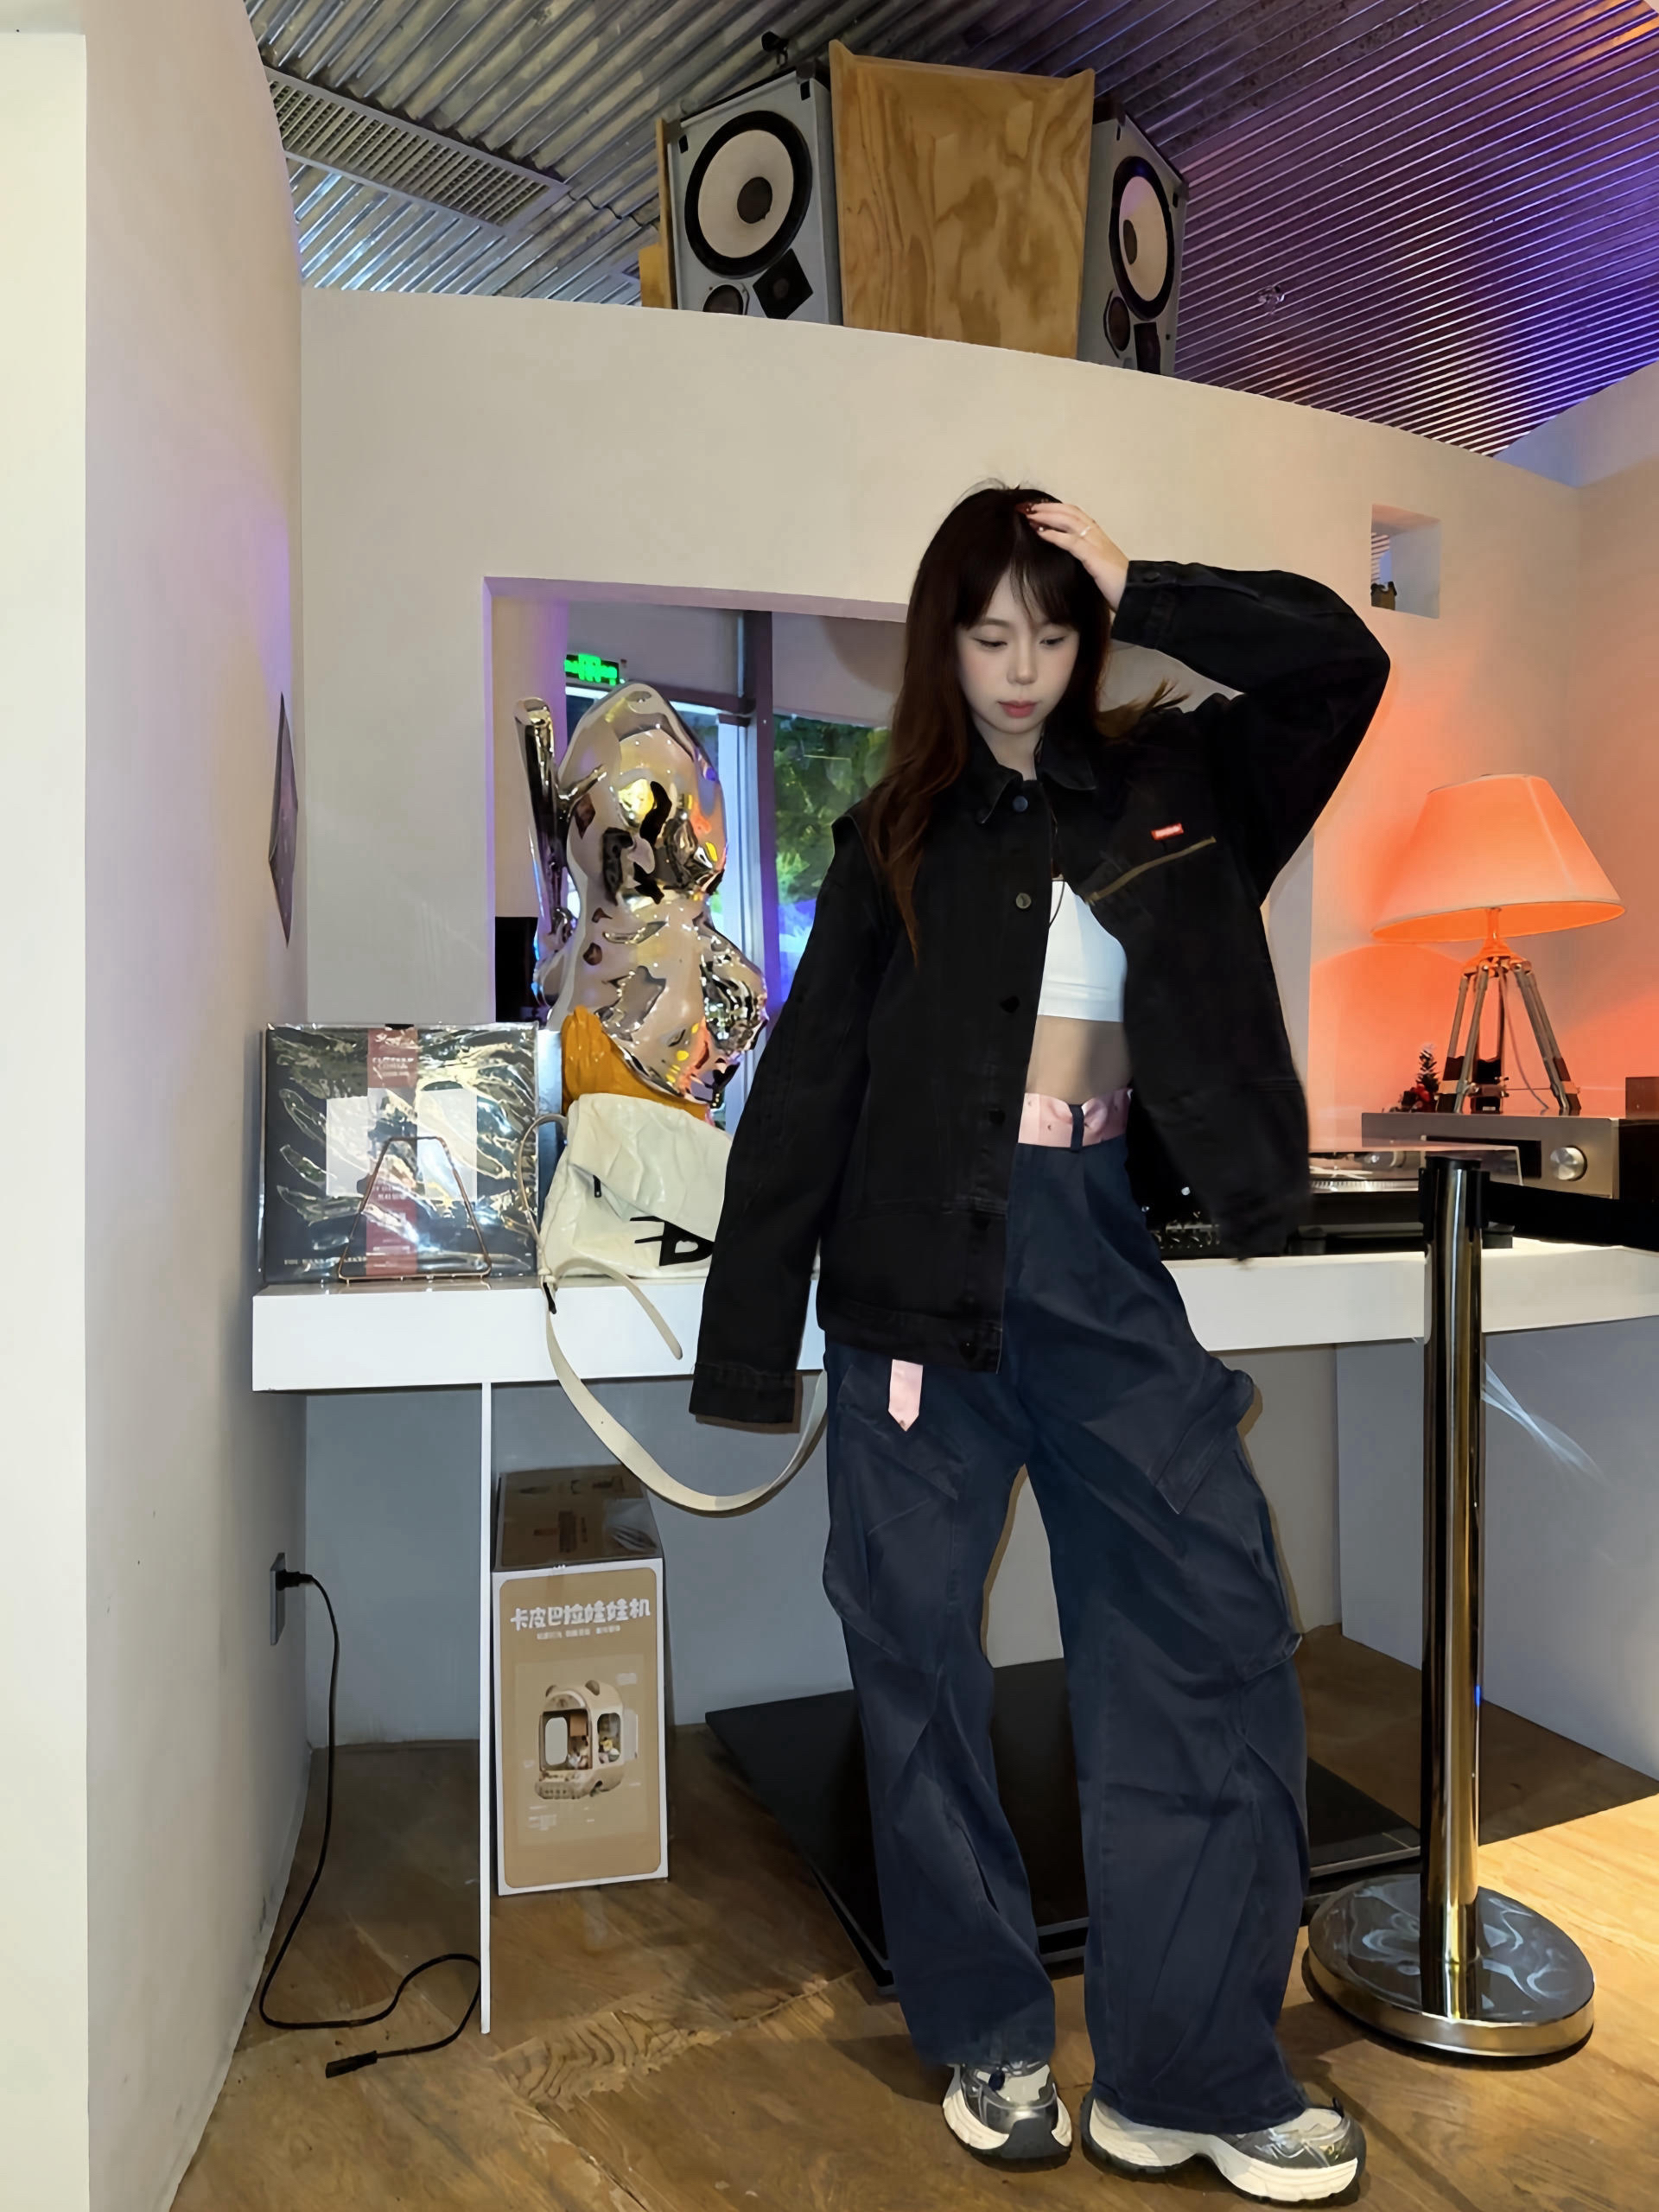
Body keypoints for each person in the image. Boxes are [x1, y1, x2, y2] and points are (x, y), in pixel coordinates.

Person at [689, 485, 1390, 2202]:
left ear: (1092, 639)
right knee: (917, 1667)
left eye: (1057, 630)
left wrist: (1152, 581)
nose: (1021, 667)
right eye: (989, 633)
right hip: (906, 1287)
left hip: (1096, 1264)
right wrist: (750, 1347)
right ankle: (991, 2029)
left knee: (1211, 1636)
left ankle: (1188, 2073)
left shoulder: (1181, 782)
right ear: (943, 642)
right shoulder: (890, 837)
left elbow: (1338, 667)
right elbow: (807, 1091)